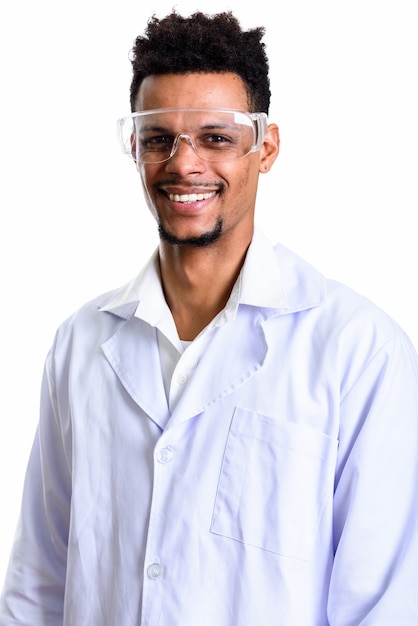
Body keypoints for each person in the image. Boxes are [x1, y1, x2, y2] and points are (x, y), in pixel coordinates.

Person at [1, 10, 418, 625]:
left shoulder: (358, 350)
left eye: (216, 138)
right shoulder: (80, 345)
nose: (184, 164)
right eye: (158, 137)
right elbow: (39, 585)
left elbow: (385, 603)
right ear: (135, 147)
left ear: (265, 148)